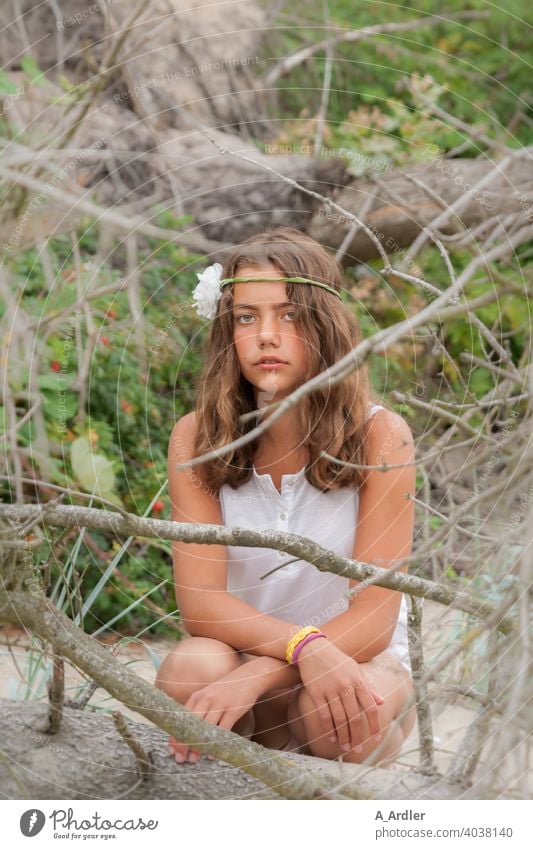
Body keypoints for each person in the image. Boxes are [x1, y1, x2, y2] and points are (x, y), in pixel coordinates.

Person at [156, 227, 416, 767]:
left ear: (324, 324)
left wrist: (292, 657)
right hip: (243, 659)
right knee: (191, 670)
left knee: (334, 713)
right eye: (247, 316)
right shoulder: (197, 438)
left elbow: (374, 617)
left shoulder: (380, 436)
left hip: (352, 660)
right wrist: (288, 653)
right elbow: (201, 604)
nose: (266, 336)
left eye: (289, 314)